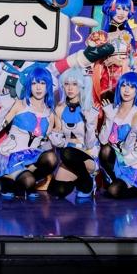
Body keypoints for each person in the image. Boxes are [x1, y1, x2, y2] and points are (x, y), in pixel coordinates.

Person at [0, 65, 57, 199]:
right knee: (28, 182)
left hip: (30, 158)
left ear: (48, 86)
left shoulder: (50, 114)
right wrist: (5, 108)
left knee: (51, 159)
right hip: (11, 156)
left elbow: (45, 144)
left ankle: (22, 178)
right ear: (29, 86)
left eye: (42, 83)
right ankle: (5, 179)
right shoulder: (20, 104)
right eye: (34, 83)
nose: (38, 88)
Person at [47, 68, 99, 199]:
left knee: (67, 152)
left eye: (75, 84)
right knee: (57, 190)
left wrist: (90, 123)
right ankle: (80, 179)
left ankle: (88, 183)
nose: (70, 88)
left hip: (87, 155)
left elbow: (90, 144)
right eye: (66, 84)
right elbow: (59, 142)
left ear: (81, 86)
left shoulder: (89, 108)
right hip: (68, 156)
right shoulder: (60, 108)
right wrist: (54, 135)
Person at [98, 72, 137, 199]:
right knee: (105, 150)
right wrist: (109, 118)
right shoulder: (112, 109)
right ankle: (114, 181)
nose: (126, 90)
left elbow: (128, 150)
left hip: (129, 163)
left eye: (132, 87)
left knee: (113, 191)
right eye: (123, 85)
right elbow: (103, 140)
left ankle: (136, 189)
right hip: (113, 161)